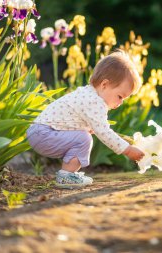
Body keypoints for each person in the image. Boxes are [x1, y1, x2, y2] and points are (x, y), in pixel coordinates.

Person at [26, 49, 145, 189]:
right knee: (84, 139)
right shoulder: (95, 102)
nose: (120, 103)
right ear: (104, 84)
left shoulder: (87, 94)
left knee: (83, 136)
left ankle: (68, 175)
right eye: (120, 96)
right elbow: (104, 133)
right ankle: (65, 177)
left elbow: (71, 121)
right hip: (44, 134)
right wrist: (128, 150)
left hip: (40, 133)